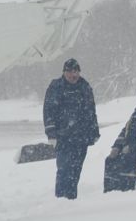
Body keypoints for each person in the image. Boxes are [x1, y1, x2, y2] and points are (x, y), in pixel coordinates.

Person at [42, 58, 99, 199]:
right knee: (64, 169)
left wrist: (94, 131)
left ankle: (71, 198)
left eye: (76, 72)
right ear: (64, 72)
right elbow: (48, 111)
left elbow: (91, 111)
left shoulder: (84, 87)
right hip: (63, 137)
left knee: (76, 170)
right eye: (70, 72)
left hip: (81, 137)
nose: (73, 75)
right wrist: (51, 133)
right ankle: (61, 198)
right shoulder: (56, 87)